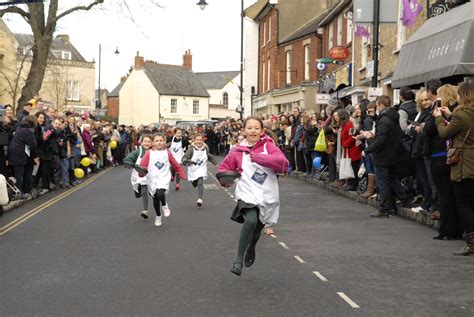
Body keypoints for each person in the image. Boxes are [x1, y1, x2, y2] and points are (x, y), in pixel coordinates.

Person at [218, 116, 289, 276]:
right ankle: (238, 260)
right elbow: (224, 168)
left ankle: (251, 248)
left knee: (257, 229)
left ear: (262, 131)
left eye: (256, 128)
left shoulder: (269, 146)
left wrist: (260, 158)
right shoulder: (237, 150)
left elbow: (283, 163)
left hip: (267, 194)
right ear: (244, 130)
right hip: (247, 192)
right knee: (250, 220)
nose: (253, 131)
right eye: (249, 128)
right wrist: (225, 180)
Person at [434, 82, 474, 255]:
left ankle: (471, 244)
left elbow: (445, 133)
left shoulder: (462, 114)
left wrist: (438, 118)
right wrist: (450, 115)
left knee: (464, 205)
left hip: (465, 164)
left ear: (463, 95)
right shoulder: (465, 114)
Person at [364, 95, 411, 217]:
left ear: (381, 105)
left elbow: (381, 140)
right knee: (392, 179)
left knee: (383, 182)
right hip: (393, 154)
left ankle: (385, 208)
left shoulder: (384, 120)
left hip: (383, 155)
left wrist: (367, 148)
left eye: (377, 106)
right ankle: (404, 200)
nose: (377, 108)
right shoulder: (393, 117)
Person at [139, 133, 186, 227]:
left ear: (164, 141)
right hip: (152, 178)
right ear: (153, 142)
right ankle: (158, 216)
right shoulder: (149, 153)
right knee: (155, 198)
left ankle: (164, 205)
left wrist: (181, 174)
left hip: (163, 177)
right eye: (156, 141)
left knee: (160, 193)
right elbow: (143, 165)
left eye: (161, 140)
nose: (159, 142)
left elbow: (175, 164)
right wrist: (141, 173)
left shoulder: (167, 152)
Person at [182, 133, 217, 207]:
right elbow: (185, 158)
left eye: (200, 140)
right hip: (193, 169)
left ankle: (200, 199)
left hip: (202, 168)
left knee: (200, 182)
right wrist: (188, 161)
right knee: (195, 183)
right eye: (197, 140)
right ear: (194, 141)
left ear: (203, 140)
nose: (199, 141)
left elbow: (209, 156)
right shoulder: (191, 149)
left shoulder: (206, 148)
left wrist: (215, 163)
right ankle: (194, 182)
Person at [8, 115, 39, 199]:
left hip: (14, 152)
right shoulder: (28, 131)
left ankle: (20, 191)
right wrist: (35, 155)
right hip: (20, 154)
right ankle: (20, 193)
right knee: (19, 175)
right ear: (33, 122)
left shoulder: (20, 128)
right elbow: (33, 144)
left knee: (18, 174)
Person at [124, 135, 153, 219]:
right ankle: (137, 191)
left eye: (149, 142)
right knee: (138, 194)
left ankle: (145, 210)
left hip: (148, 175)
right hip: (137, 175)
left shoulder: (154, 152)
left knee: (144, 191)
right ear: (141, 142)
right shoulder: (137, 152)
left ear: (152, 143)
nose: (147, 143)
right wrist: (129, 163)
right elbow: (127, 159)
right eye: (145, 141)